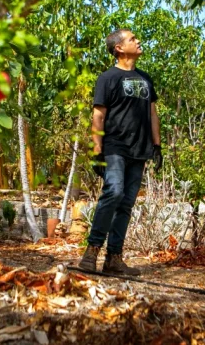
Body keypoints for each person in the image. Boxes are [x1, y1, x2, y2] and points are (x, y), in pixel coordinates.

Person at [78, 29, 163, 275]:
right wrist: (97, 150)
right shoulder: (108, 78)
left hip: (140, 149)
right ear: (118, 48)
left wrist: (157, 145)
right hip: (115, 147)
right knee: (113, 191)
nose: (138, 41)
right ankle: (92, 250)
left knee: (126, 203)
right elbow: (99, 115)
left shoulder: (146, 78)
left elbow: (152, 113)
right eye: (132, 39)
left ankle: (114, 258)